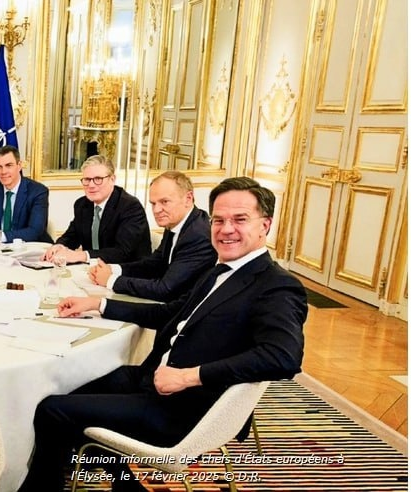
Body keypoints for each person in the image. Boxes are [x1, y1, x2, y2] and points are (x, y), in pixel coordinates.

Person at [19, 177, 307, 492]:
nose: (226, 229)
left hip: (182, 407)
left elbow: (283, 357)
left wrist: (188, 376)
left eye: (240, 220)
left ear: (265, 225)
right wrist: (98, 304)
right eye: (219, 220)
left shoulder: (276, 285)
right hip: (153, 378)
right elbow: (168, 314)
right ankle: (123, 486)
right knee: (66, 391)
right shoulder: (221, 270)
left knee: (52, 411)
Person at [85, 171, 217, 302]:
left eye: (164, 202)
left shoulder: (198, 235)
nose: (156, 210)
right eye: (153, 203)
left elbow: (165, 289)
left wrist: (111, 280)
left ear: (188, 199)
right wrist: (113, 269)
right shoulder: (176, 222)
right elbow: (154, 265)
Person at [43, 155, 150, 264]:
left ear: (112, 179)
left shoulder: (130, 207)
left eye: (98, 179)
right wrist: (59, 246)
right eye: (87, 179)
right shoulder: (82, 204)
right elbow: (72, 236)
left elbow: (122, 252)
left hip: (126, 270)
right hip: (92, 269)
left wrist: (81, 255)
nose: (91, 185)